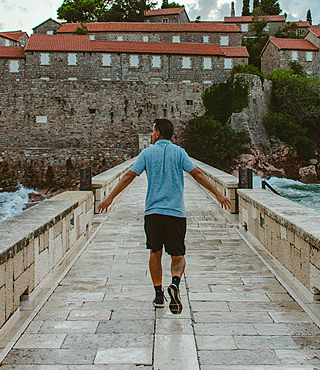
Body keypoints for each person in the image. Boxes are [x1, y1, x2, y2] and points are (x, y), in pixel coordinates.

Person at [97, 118, 232, 314]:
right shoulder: (179, 152)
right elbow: (198, 174)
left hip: (153, 213)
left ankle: (159, 293)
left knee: (155, 252)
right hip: (176, 213)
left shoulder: (147, 153)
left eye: (152, 131)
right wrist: (218, 193)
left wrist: (109, 198)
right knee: (178, 256)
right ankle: (175, 283)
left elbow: (128, 176)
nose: (152, 134)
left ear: (158, 133)